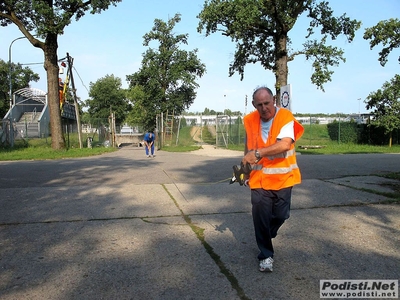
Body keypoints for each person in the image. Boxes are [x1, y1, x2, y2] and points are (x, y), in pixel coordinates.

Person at [242, 86, 304, 272]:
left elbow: (285, 144)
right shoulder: (249, 120)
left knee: (281, 215)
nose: (264, 108)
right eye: (259, 105)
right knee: (260, 217)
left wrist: (259, 153)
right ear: (254, 105)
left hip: (283, 179)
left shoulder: (285, 117)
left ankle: (265, 235)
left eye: (267, 103)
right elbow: (248, 149)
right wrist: (245, 171)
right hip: (259, 180)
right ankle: (266, 255)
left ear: (274, 100)